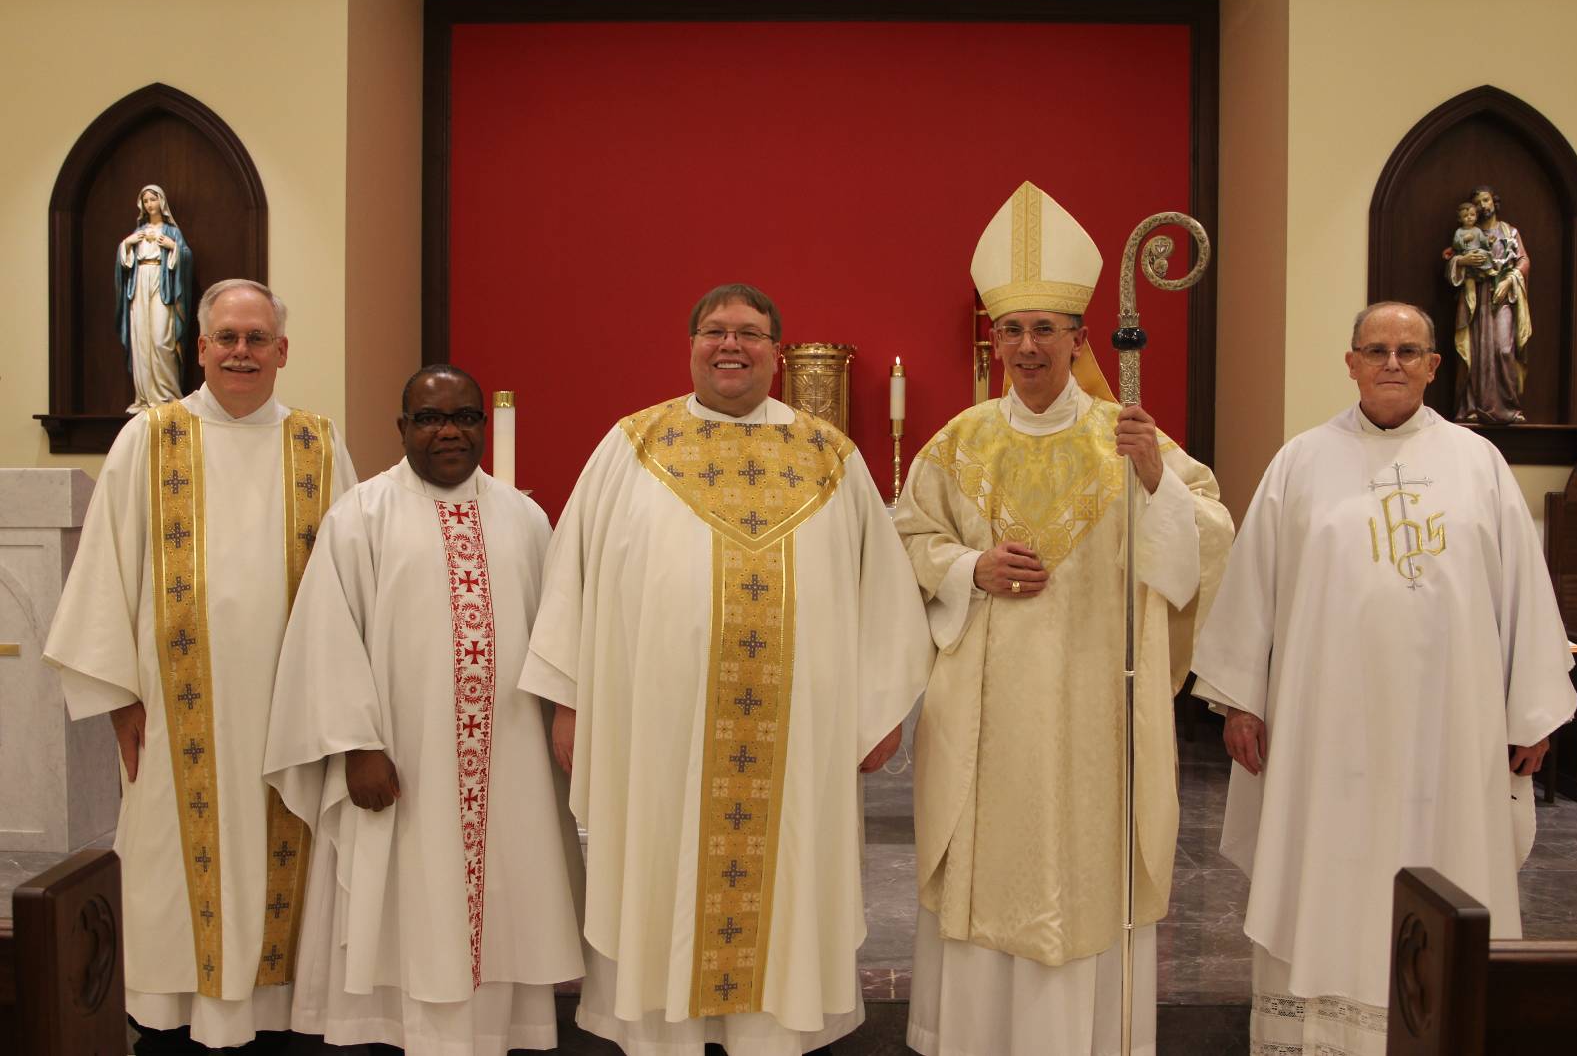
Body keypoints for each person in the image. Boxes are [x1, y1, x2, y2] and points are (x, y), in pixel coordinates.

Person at [523, 283, 932, 1056]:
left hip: (799, 738)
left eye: (749, 332)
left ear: (778, 351)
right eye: (714, 331)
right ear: (690, 346)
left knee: (786, 878)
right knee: (658, 859)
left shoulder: (828, 453)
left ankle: (768, 1035)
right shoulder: (632, 444)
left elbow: (884, 591)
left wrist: (879, 714)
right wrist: (570, 702)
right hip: (659, 731)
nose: (730, 345)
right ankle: (661, 1032)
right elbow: (570, 576)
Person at [895, 181, 1234, 1056]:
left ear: (1082, 337)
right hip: (984, 718)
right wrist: (972, 566)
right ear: (993, 338)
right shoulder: (958, 442)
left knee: (1086, 881)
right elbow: (904, 542)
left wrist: (1155, 477)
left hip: (1096, 715)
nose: (1028, 344)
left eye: (1047, 327)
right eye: (1012, 328)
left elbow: (1207, 542)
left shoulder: (1128, 437)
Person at [1190, 301, 1576, 1056]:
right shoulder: (1300, 462)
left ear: (1436, 365)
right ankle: (1324, 1034)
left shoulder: (1480, 465)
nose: (1392, 362)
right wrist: (1240, 699)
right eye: (1376, 349)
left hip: (1451, 734)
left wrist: (1531, 712)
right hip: (1325, 732)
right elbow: (1253, 590)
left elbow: (1524, 593)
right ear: (1351, 362)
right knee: (1324, 869)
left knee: (1447, 865)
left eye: (1408, 350)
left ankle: (1440, 1026)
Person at [43, 279, 357, 1053]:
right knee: (174, 900)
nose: (241, 352)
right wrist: (121, 699)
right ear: (200, 347)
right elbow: (105, 576)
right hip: (178, 724)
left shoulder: (319, 443)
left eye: (257, 339)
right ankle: (174, 1034)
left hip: (297, 722)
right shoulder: (150, 438)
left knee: (292, 909)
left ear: (283, 351)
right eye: (227, 338)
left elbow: (357, 582)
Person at [263, 364, 584, 1054]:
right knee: (409, 900)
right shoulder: (361, 514)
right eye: (431, 418)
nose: (449, 431)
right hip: (401, 763)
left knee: (506, 906)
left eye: (465, 417)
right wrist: (357, 745)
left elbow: (561, 629)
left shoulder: (525, 517)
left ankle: (490, 1037)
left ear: (482, 426)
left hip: (510, 765)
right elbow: (328, 636)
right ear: (402, 427)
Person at [1445, 185, 1531, 423]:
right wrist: (1462, 260)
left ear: (1494, 201)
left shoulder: (1509, 232)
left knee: (1504, 349)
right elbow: (1451, 264)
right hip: (1476, 300)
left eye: (1486, 200)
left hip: (1503, 297)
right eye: (1478, 202)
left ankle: (1509, 408)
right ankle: (1472, 407)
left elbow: (1523, 260)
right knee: (1476, 352)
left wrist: (1510, 280)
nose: (1483, 206)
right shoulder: (1466, 232)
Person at [116, 184, 194, 411]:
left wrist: (173, 248)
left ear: (161, 201)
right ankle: (144, 396)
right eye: (146, 200)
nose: (150, 204)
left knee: (161, 339)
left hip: (163, 286)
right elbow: (124, 266)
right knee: (142, 339)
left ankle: (167, 395)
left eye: (153, 199)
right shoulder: (137, 233)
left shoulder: (172, 232)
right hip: (140, 285)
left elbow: (186, 256)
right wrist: (126, 246)